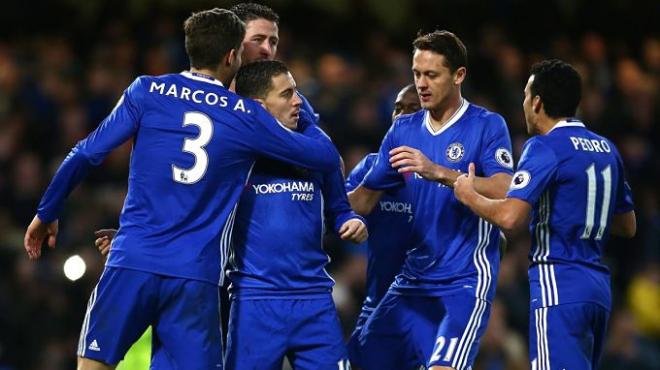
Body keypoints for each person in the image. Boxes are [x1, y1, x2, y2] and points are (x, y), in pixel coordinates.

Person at [24, 8, 340, 370]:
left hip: (134, 260)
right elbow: (324, 156)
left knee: (93, 366)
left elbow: (86, 153)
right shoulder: (245, 115)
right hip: (195, 277)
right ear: (231, 56)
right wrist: (305, 111)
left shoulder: (146, 90)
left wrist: (46, 213)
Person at [454, 59, 636, 370]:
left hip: (559, 282)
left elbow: (511, 218)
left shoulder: (544, 146)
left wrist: (469, 195)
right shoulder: (607, 149)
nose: (524, 103)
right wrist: (570, 206)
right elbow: (626, 225)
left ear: (537, 102)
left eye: (526, 95)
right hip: (598, 289)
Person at [348, 30, 514, 370]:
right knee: (358, 361)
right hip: (412, 280)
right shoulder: (402, 130)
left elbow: (505, 188)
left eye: (432, 75)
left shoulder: (486, 125)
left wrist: (439, 171)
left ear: (458, 75)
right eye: (416, 74)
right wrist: (315, 191)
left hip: (463, 281)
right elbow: (363, 201)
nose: (421, 84)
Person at [222, 59, 365, 370]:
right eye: (287, 94)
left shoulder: (315, 144)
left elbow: (340, 209)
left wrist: (352, 221)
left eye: (296, 91)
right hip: (255, 301)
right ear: (259, 106)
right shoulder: (236, 155)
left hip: (314, 298)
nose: (299, 101)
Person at [344, 84, 420, 368]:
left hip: (426, 311)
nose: (402, 116)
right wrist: (383, 174)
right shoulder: (371, 166)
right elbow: (344, 209)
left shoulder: (441, 173)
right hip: (376, 303)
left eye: (413, 109)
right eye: (398, 108)